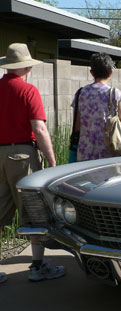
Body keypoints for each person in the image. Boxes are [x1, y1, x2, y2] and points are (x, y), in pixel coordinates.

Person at [0, 43, 65, 282]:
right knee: (32, 211)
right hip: (22, 155)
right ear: (26, 66)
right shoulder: (28, 91)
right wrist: (52, 160)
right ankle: (38, 266)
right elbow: (39, 128)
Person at [73, 52, 121, 161]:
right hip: (109, 155)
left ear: (91, 73)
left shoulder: (80, 93)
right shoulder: (115, 94)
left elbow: (77, 127)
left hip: (85, 155)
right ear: (111, 73)